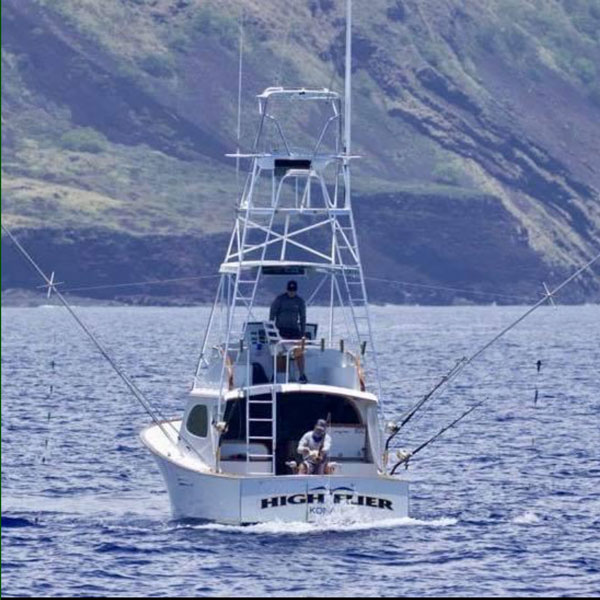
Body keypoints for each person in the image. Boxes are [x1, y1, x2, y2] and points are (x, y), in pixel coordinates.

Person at [269, 280, 307, 383]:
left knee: (299, 350)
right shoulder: (280, 300)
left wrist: (303, 333)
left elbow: (303, 317)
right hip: (281, 330)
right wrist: (272, 331)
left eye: (293, 290)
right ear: (287, 290)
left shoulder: (299, 301)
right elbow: (272, 314)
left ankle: (302, 374)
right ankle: (277, 376)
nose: (291, 292)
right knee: (280, 351)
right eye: (290, 290)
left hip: (294, 331)